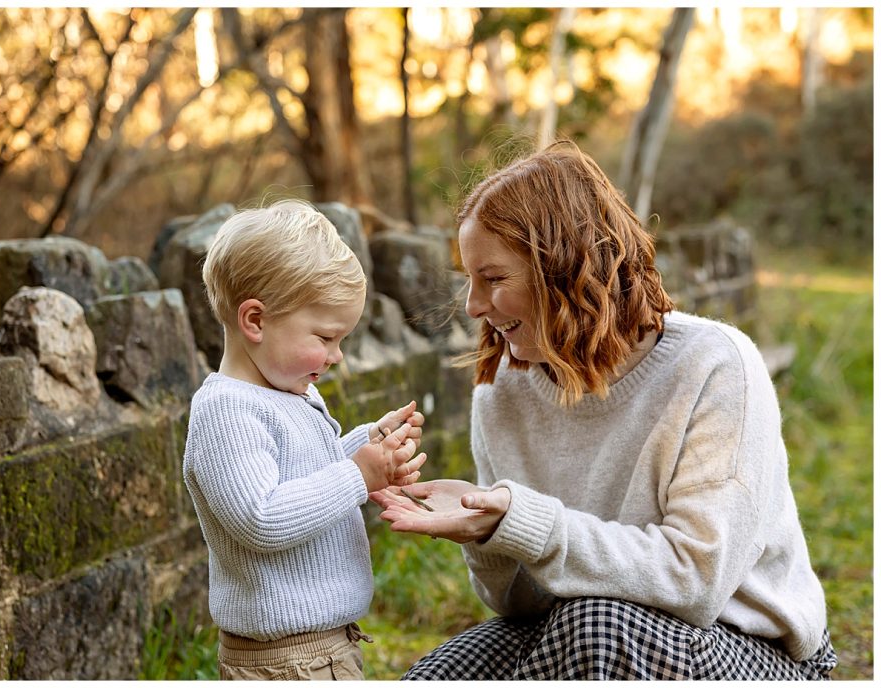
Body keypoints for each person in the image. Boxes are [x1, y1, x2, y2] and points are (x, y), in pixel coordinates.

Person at [370, 141, 837, 680]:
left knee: (597, 625)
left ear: (565, 267)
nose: (474, 305)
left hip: (751, 646)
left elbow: (696, 581)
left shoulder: (715, 366)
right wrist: (488, 534)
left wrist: (527, 522)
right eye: (469, 280)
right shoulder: (502, 391)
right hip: (576, 630)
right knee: (446, 673)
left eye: (494, 279)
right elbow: (520, 609)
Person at [183, 200, 427, 680]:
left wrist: (370, 443)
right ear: (255, 321)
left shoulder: (289, 392)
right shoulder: (227, 411)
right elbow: (263, 517)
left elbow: (304, 472)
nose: (336, 355)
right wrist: (358, 474)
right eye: (325, 337)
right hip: (284, 662)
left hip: (325, 648)